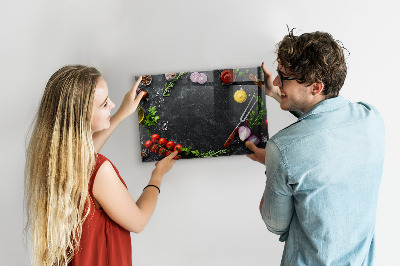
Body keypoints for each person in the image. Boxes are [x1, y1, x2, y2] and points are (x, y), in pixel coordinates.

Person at [246, 31, 385, 265]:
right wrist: (274, 92)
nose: (277, 81)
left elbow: (275, 224)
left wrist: (274, 163)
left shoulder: (282, 149)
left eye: (283, 77)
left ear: (316, 86)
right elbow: (325, 123)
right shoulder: (371, 118)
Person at [24, 65, 178, 266]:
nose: (112, 104)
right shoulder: (99, 170)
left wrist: (122, 113)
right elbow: (138, 221)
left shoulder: (53, 159)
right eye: (105, 104)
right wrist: (157, 175)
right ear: (82, 117)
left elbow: (86, 157)